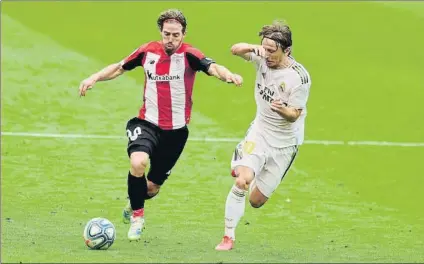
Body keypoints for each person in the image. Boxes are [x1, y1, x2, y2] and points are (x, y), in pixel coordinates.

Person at [78, 9, 243, 241]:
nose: (171, 40)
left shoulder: (190, 55)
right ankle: (137, 216)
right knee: (138, 162)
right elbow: (119, 67)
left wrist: (228, 75)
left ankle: (133, 202)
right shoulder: (147, 51)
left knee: (151, 188)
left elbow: (213, 67)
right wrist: (93, 77)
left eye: (176, 35)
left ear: (184, 34)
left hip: (175, 133)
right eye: (167, 34)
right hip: (147, 123)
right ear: (161, 32)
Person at [215, 20, 311, 251]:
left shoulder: (299, 77)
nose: (267, 55)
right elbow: (234, 50)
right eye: (264, 48)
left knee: (256, 201)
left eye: (272, 50)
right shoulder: (261, 57)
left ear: (286, 50)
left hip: (285, 144)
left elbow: (294, 115)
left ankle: (247, 166)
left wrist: (282, 109)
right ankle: (228, 237)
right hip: (260, 133)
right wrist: (252, 47)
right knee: (242, 181)